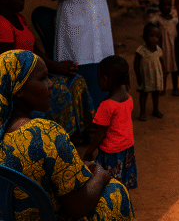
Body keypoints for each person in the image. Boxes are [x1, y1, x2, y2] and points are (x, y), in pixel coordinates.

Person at [0, 49, 135, 220]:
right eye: (42, 79)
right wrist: (101, 176)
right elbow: (78, 206)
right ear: (18, 89)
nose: (51, 84)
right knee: (116, 193)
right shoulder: (45, 134)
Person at [0, 0, 95, 143]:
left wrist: (57, 66)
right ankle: (59, 137)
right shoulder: (3, 25)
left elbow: (36, 51)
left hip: (33, 74)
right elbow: (8, 66)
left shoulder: (19, 19)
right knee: (57, 88)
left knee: (75, 80)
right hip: (20, 81)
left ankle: (79, 129)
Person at [84, 55, 137, 189]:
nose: (98, 81)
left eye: (99, 78)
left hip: (111, 152)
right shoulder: (127, 96)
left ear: (105, 79)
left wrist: (89, 151)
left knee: (108, 185)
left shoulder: (107, 105)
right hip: (127, 148)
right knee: (122, 182)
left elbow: (100, 133)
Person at [134, 22, 165, 120]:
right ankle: (142, 112)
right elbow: (136, 63)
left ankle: (156, 110)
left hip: (156, 77)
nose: (154, 38)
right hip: (145, 76)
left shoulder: (158, 50)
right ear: (144, 37)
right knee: (144, 93)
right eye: (151, 35)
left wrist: (163, 75)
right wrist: (138, 75)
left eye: (157, 36)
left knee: (155, 94)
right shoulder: (141, 50)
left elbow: (162, 63)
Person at [156, 0, 179, 96]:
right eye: (164, 5)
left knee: (174, 70)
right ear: (159, 6)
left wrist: (178, 50)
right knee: (163, 70)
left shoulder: (174, 21)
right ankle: (163, 88)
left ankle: (175, 88)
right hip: (163, 49)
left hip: (173, 49)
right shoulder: (158, 20)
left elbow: (177, 37)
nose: (166, 7)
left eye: (168, 5)